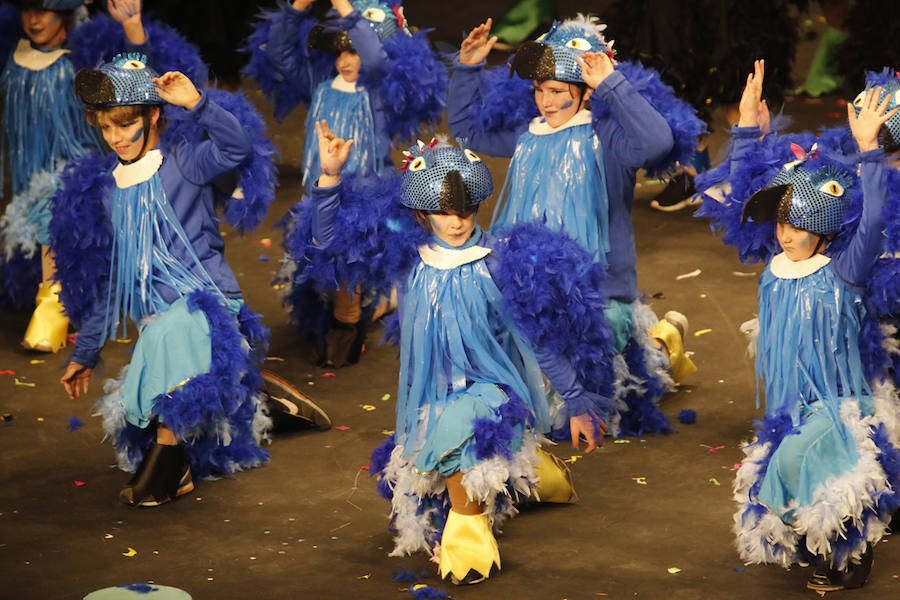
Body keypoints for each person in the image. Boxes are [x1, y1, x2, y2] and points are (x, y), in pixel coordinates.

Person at [303, 122, 616, 584]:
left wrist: (577, 402)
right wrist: (329, 178)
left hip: (493, 392)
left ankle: (471, 545)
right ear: (420, 214)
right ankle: (535, 475)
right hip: (431, 397)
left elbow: (536, 339)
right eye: (443, 212)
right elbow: (330, 243)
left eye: (465, 211)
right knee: (427, 492)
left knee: (462, 442)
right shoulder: (410, 257)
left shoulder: (498, 261)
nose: (456, 222)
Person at [448, 15, 703, 436]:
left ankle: (663, 343)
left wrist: (612, 85)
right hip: (535, 293)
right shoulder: (527, 135)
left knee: (579, 408)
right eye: (539, 91)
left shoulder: (608, 139)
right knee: (526, 398)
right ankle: (654, 341)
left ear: (584, 95)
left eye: (557, 92)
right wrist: (467, 68)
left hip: (599, 299)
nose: (546, 103)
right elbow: (466, 130)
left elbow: (658, 143)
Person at [702, 60, 900, 592]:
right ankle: (833, 549)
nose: (785, 233)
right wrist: (747, 130)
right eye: (781, 223)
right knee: (793, 472)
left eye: (797, 223)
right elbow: (742, 197)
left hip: (839, 400)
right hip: (791, 402)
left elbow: (876, 218)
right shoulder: (776, 261)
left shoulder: (845, 269)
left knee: (832, 473)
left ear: (824, 229)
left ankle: (851, 550)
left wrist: (870, 152)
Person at [51, 55, 273, 507]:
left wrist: (198, 103)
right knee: (159, 347)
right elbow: (112, 278)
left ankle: (171, 464)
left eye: (125, 124)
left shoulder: (185, 163)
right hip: (162, 320)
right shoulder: (111, 190)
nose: (115, 137)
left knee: (172, 332)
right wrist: (86, 352)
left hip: (209, 303)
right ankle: (261, 400)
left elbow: (237, 148)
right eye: (106, 128)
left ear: (152, 114)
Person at [244, 0, 447, 367]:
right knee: (322, 273)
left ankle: (349, 323)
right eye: (340, 51)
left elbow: (376, 60)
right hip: (323, 191)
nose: (347, 59)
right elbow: (279, 53)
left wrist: (346, 9)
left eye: (353, 50)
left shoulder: (381, 91)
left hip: (368, 199)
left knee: (351, 268)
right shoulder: (320, 85)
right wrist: (296, 10)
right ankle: (365, 307)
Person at [0, 0, 145, 352]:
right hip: (27, 170)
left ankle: (54, 306)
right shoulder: (13, 55)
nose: (34, 19)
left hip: (84, 162)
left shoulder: (85, 54)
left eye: (43, 10)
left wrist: (133, 30)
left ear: (64, 12)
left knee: (57, 207)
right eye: (27, 9)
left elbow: (141, 79)